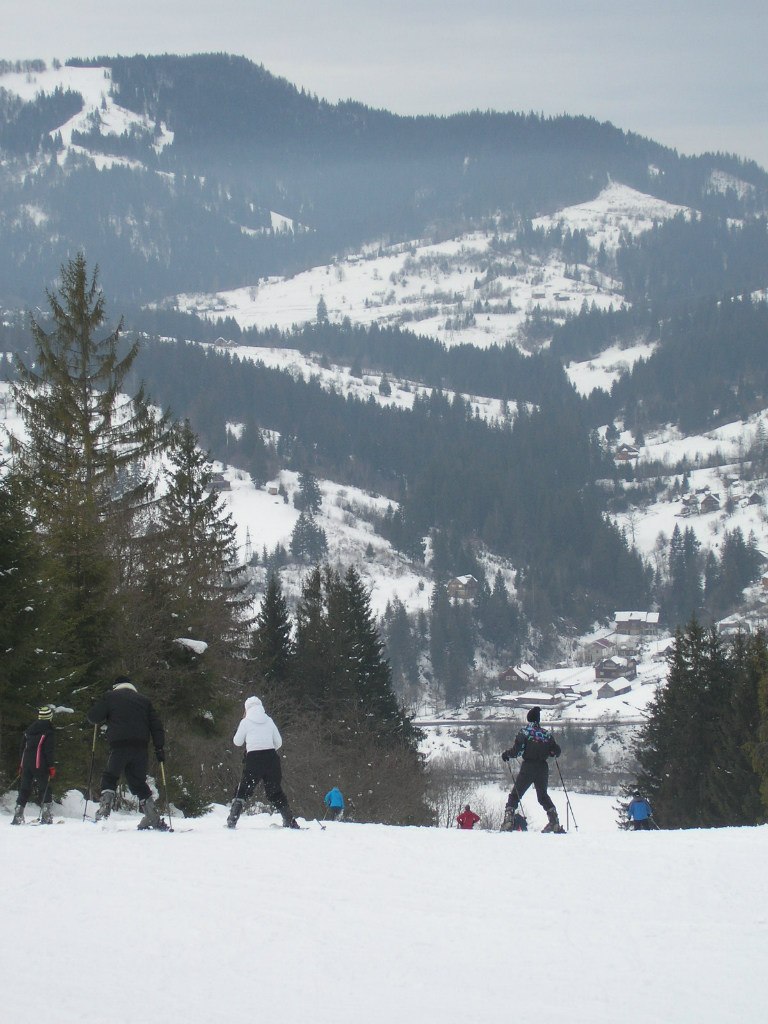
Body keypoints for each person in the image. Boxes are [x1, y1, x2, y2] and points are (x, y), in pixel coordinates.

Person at [87, 676, 168, 830]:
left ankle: (104, 811)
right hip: (140, 747)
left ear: (115, 686)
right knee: (138, 782)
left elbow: (93, 717)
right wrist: (159, 748)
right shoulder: (144, 701)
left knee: (110, 777)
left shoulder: (110, 697)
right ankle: (152, 816)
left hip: (119, 746)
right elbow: (156, 726)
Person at [227, 696, 299, 829]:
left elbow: (237, 742)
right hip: (272, 758)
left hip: (253, 759)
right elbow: (279, 742)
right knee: (275, 790)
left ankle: (232, 819)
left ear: (246, 708)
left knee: (244, 789)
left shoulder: (245, 722)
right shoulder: (269, 721)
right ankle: (289, 820)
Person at [501, 706, 565, 833]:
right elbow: (556, 751)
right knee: (542, 796)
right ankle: (554, 822)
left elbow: (517, 751)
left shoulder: (525, 732)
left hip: (528, 767)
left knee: (515, 795)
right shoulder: (546, 734)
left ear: (529, 718)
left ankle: (508, 821)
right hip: (542, 768)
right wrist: (551, 752)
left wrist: (506, 754)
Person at [11, 705, 57, 825]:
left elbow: (22, 748)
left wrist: (21, 765)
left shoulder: (29, 731)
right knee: (45, 788)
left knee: (24, 788)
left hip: (26, 763)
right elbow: (48, 751)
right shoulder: (48, 732)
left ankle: (18, 814)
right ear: (49, 718)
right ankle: (46, 816)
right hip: (40, 764)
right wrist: (51, 766)